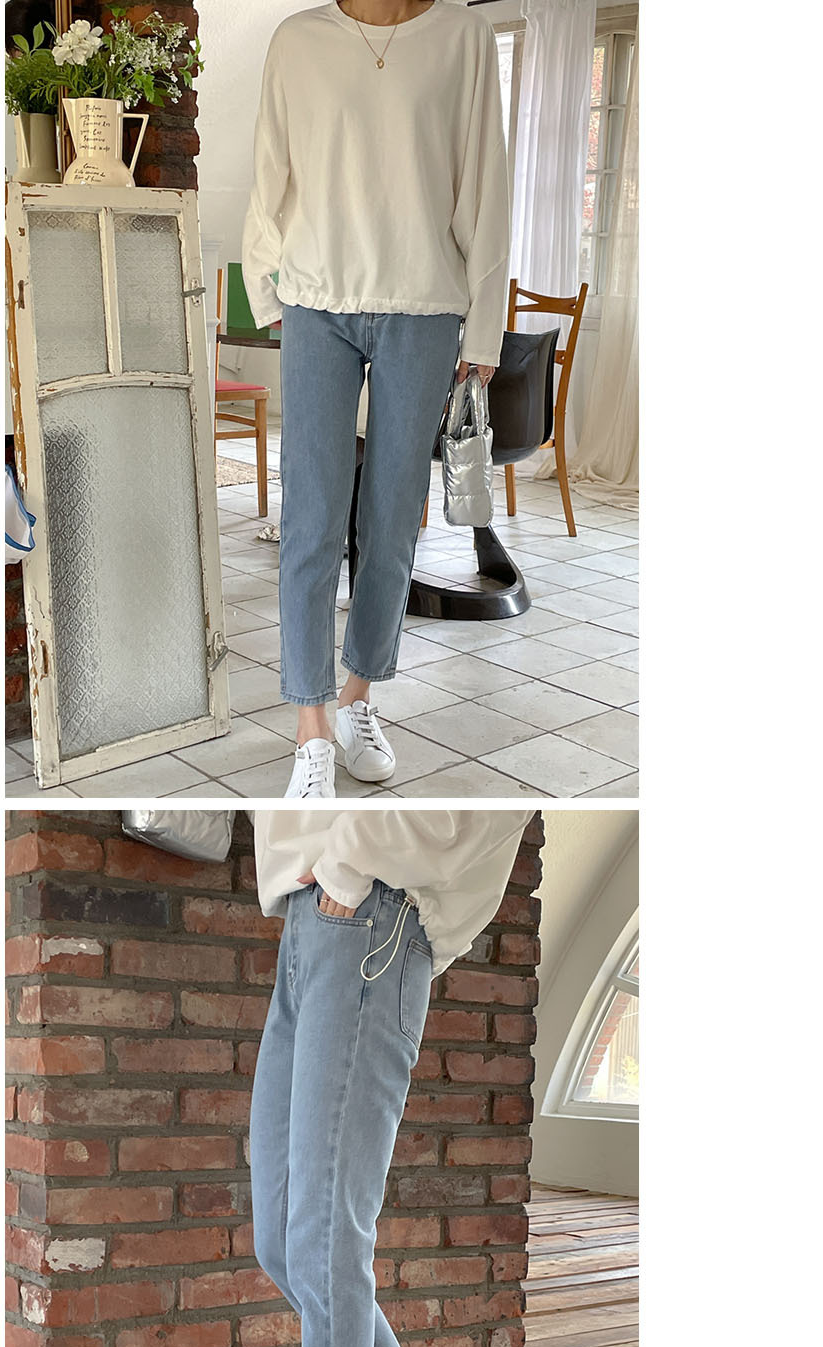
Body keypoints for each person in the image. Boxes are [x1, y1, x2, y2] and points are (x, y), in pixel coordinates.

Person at [174, 805, 526, 1347]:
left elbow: (488, 806)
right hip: (310, 921)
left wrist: (351, 859)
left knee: (330, 1239)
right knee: (283, 1242)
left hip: (373, 918)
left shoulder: (366, 876)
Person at [242, 3, 509, 797]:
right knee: (311, 522)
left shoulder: (463, 38)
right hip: (316, 304)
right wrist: (266, 291)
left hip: (425, 309)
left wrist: (485, 330)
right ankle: (312, 728)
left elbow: (486, 186)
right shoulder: (299, 41)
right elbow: (270, 172)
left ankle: (359, 696)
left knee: (390, 521)